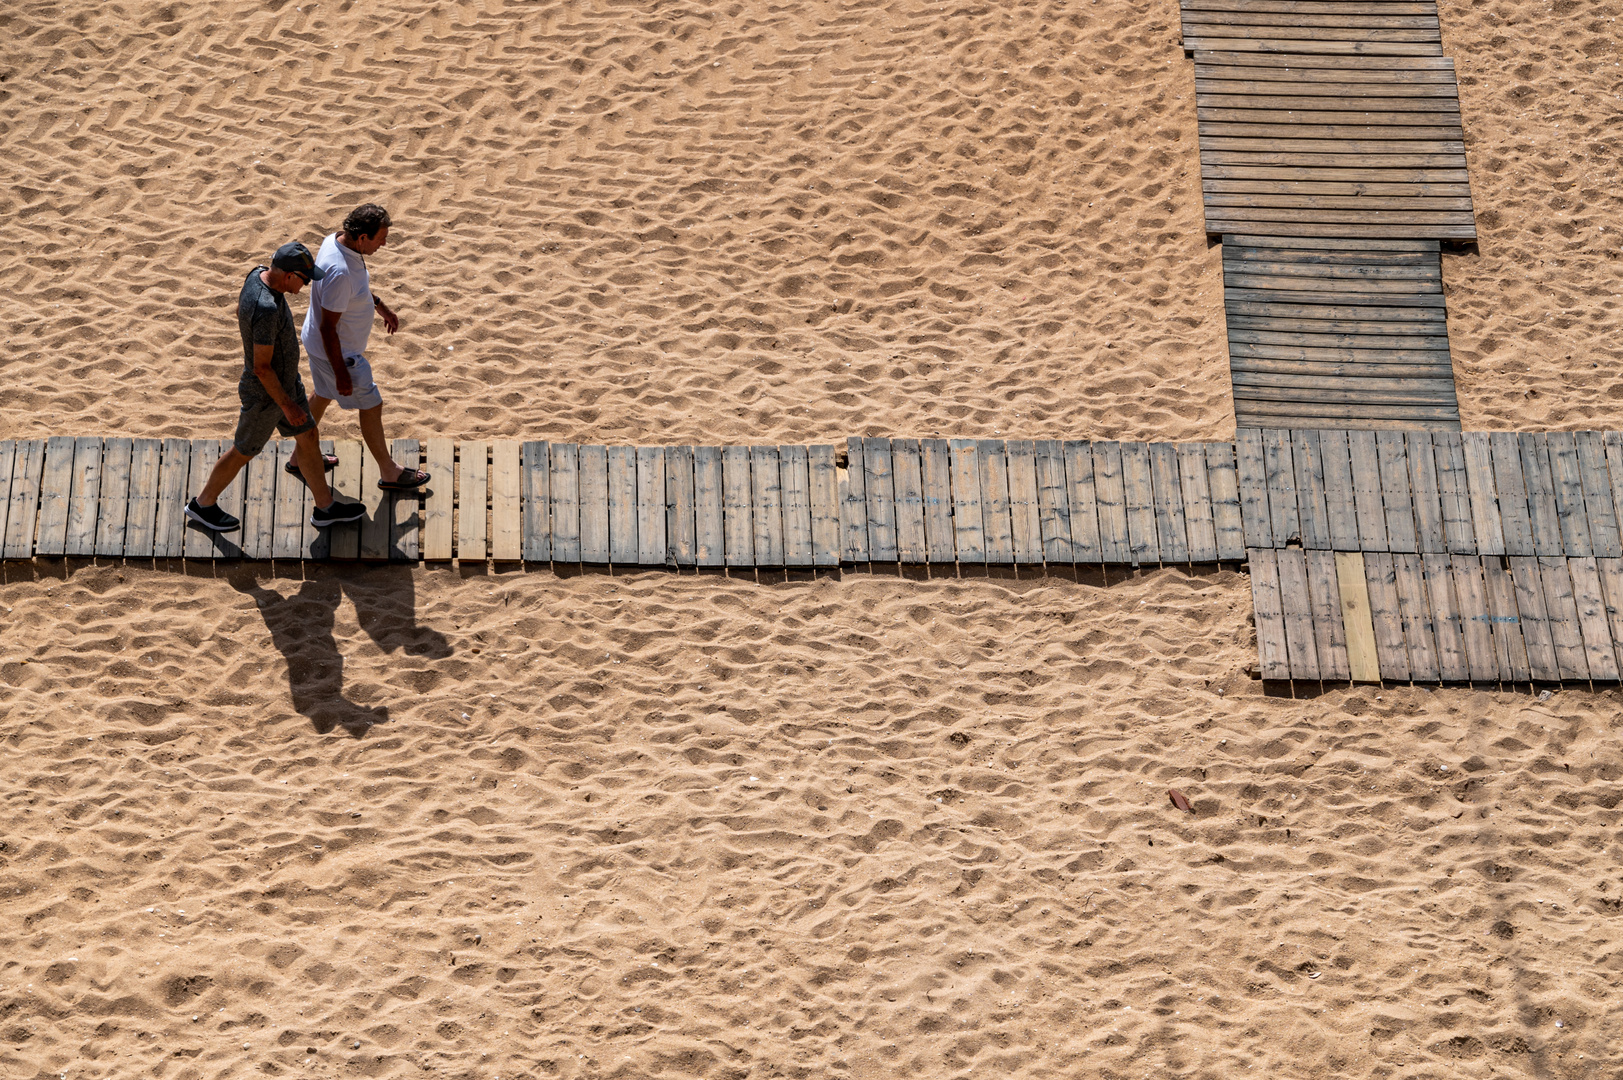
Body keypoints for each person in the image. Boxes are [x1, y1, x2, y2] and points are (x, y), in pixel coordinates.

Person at [185, 241, 365, 532]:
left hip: (285, 384)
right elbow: (261, 367)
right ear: (289, 275)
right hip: (267, 395)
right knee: (244, 450)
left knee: (308, 434)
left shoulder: (257, 273)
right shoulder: (266, 308)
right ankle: (202, 504)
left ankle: (325, 507)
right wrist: (288, 404)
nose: (306, 285)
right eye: (305, 279)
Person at [301, 204, 430, 492]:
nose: (384, 243)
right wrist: (341, 373)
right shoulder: (340, 272)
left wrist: (380, 306)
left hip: (317, 345)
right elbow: (328, 328)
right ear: (361, 238)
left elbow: (355, 291)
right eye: (380, 238)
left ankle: (300, 457)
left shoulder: (334, 240)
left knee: (322, 394)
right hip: (340, 354)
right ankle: (390, 472)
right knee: (372, 405)